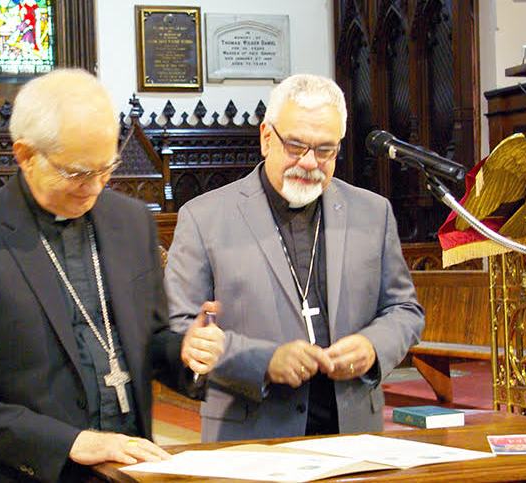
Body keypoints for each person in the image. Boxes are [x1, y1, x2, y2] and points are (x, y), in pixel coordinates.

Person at [0, 69, 225, 482]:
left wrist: (187, 353)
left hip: (125, 470)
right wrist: (70, 443)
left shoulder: (131, 221)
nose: (95, 187)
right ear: (25, 154)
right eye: (78, 173)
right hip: (20, 473)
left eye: (106, 168)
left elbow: (149, 342)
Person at [165, 74, 425, 442]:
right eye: (296, 145)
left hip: (353, 434)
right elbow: (182, 327)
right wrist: (264, 361)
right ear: (266, 138)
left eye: (325, 150)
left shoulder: (372, 212)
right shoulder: (204, 218)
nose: (309, 162)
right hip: (251, 436)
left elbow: (404, 310)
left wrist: (372, 347)